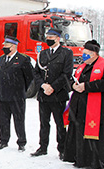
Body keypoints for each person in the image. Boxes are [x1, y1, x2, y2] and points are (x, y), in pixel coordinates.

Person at [31, 28, 73, 159]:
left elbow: (66, 74)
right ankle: (42, 147)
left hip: (58, 95)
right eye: (47, 36)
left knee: (60, 124)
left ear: (58, 38)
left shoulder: (66, 53)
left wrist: (52, 87)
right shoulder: (42, 54)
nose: (48, 39)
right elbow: (36, 72)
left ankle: (62, 149)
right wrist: (43, 86)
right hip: (44, 95)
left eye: (51, 37)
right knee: (44, 123)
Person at [63, 40, 104, 169]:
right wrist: (73, 85)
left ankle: (96, 163)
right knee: (79, 131)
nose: (83, 56)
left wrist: (86, 87)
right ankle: (80, 158)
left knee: (94, 135)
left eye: (86, 54)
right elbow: (73, 78)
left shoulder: (101, 65)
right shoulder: (82, 66)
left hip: (95, 106)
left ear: (94, 54)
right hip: (79, 105)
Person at [0, 35, 34, 151]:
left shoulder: (23, 59)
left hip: (17, 96)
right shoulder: (2, 59)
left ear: (13, 46)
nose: (4, 47)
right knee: (3, 120)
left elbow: (29, 76)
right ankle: (3, 140)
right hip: (4, 95)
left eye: (6, 46)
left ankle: (21, 142)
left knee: (19, 119)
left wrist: (21, 88)